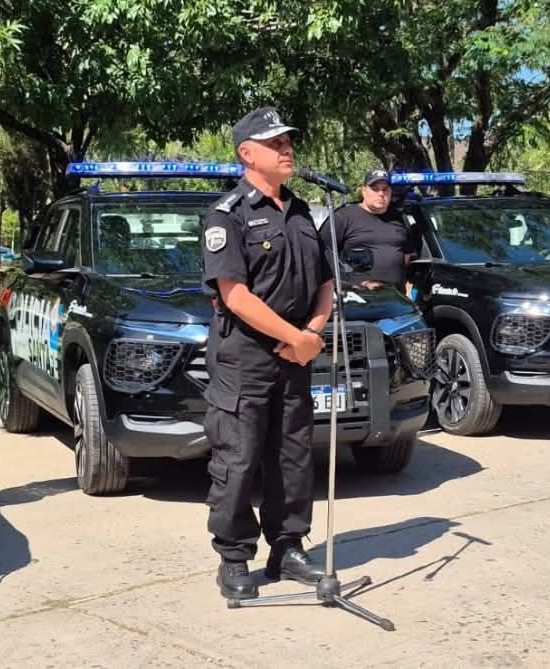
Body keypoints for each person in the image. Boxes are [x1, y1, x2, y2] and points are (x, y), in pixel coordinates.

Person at [201, 107, 335, 600]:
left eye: (288, 140)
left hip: (294, 356)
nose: (286, 148)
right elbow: (234, 294)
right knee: (238, 458)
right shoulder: (227, 215)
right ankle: (234, 558)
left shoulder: (302, 213)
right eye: (275, 142)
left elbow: (324, 281)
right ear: (246, 153)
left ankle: (288, 547)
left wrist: (313, 331)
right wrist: (295, 336)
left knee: (292, 455)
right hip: (246, 359)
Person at [318, 169, 416, 291]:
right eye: (375, 189)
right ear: (364, 191)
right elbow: (321, 255)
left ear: (390, 192)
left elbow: (407, 258)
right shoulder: (343, 217)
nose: (381, 194)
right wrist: (351, 283)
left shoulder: (399, 218)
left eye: (385, 189)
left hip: (395, 299)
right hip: (355, 297)